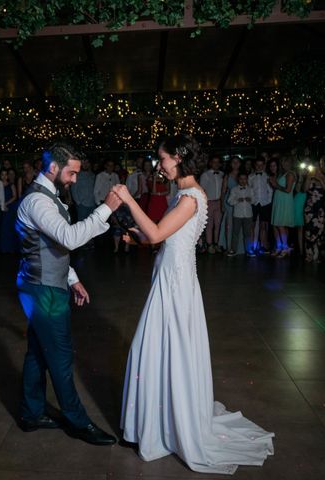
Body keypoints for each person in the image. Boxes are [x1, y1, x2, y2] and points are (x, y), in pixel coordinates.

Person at [113, 134, 274, 474]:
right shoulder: (184, 194)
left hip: (176, 283)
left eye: (163, 158)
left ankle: (165, 424)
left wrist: (128, 198)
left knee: (158, 346)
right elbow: (162, 238)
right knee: (159, 347)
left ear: (179, 158)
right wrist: (135, 236)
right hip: (170, 275)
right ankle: (158, 418)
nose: (160, 164)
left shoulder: (189, 198)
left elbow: (158, 233)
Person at [15, 142, 122, 446]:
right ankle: (78, 422)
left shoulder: (48, 196)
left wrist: (72, 278)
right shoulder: (38, 201)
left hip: (45, 284)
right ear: (53, 168)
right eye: (72, 173)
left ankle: (31, 412)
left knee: (37, 352)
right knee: (61, 357)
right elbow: (70, 238)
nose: (75, 179)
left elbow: (54, 244)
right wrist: (106, 208)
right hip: (43, 291)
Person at [303, 158, 325, 263]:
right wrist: (309, 178)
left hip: (320, 208)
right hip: (309, 208)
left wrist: (319, 179)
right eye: (314, 167)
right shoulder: (309, 176)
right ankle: (309, 254)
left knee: (319, 231)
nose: (316, 168)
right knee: (309, 231)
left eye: (318, 166)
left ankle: (318, 255)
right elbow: (304, 189)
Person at [269, 157, 296, 258]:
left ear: (291, 163)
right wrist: (273, 184)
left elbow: (288, 190)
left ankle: (285, 248)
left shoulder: (290, 174)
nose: (285, 164)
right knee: (278, 225)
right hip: (279, 200)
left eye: (287, 162)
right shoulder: (284, 173)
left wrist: (276, 184)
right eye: (283, 162)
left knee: (280, 225)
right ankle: (281, 247)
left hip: (285, 201)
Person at [199, 155, 224, 254]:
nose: (216, 164)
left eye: (218, 162)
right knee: (209, 225)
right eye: (214, 162)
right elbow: (201, 190)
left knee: (218, 224)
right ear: (210, 163)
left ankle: (216, 243)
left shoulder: (222, 174)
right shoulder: (205, 175)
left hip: (219, 202)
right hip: (209, 202)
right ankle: (209, 245)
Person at [248, 156, 273, 254]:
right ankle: (252, 246)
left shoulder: (267, 176)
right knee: (252, 225)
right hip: (254, 203)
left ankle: (263, 245)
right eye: (257, 165)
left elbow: (270, 190)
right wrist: (251, 201)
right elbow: (249, 189)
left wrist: (269, 201)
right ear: (255, 165)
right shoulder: (250, 177)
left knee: (263, 226)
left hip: (265, 203)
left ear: (264, 165)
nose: (259, 167)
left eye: (261, 165)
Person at [227, 172, 254, 257]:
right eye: (241, 179)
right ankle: (233, 250)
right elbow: (230, 201)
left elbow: (255, 200)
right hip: (237, 215)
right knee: (235, 233)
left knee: (248, 234)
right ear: (238, 179)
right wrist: (237, 200)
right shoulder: (234, 189)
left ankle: (249, 250)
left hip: (248, 215)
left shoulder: (250, 189)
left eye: (244, 179)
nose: (243, 181)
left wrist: (251, 200)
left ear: (247, 180)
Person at [218, 157, 241, 253]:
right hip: (229, 202)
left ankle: (238, 246)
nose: (235, 164)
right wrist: (222, 204)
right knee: (229, 225)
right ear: (230, 164)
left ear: (240, 163)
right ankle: (228, 246)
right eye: (233, 162)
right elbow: (223, 191)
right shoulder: (227, 176)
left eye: (237, 162)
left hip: (241, 202)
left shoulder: (243, 175)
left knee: (239, 225)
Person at [69, 158, 97, 222]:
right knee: (82, 224)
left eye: (87, 163)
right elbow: (73, 189)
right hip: (82, 205)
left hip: (92, 204)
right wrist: (78, 202)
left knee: (91, 224)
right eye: (84, 163)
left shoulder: (93, 175)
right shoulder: (76, 175)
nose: (85, 164)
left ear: (89, 164)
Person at [0, 169, 19, 253]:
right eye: (2, 175)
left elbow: (15, 196)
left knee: (10, 228)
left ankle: (12, 248)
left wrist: (6, 204)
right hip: (1, 208)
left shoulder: (11, 185)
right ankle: (4, 248)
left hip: (10, 208)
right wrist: (2, 205)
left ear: (7, 176)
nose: (4, 176)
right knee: (2, 228)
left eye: (5, 175)